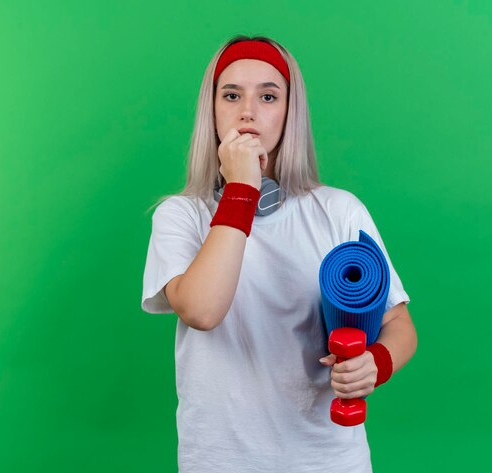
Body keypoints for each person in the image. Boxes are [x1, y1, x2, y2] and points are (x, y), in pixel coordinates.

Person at [141, 34, 417, 473]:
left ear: (290, 113)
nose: (248, 111)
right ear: (212, 110)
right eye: (231, 95)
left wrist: (375, 363)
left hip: (328, 460)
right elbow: (202, 310)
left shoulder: (339, 211)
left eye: (268, 96)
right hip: (219, 461)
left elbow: (399, 324)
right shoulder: (180, 215)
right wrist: (242, 190)